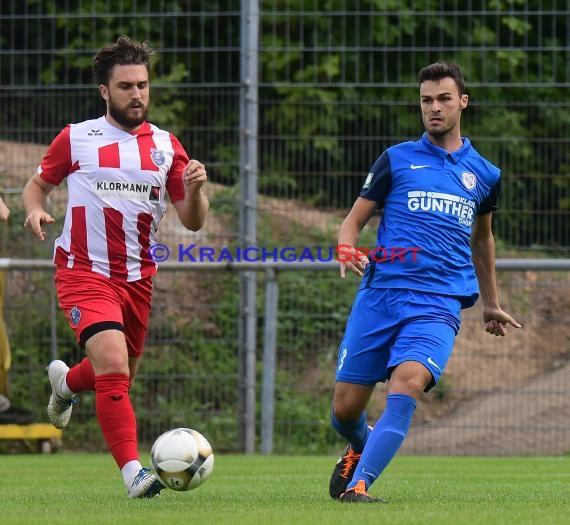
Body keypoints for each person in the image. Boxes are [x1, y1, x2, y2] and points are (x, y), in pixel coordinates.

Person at [22, 36, 209, 498]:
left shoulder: (167, 147)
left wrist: (197, 189)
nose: (137, 94)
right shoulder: (76, 137)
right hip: (83, 271)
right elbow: (37, 185)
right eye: (126, 86)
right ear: (105, 90)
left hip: (138, 278)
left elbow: (192, 220)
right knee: (111, 363)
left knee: (117, 375)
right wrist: (33, 209)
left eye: (143, 85)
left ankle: (66, 381)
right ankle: (134, 474)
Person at [329, 62, 521, 503]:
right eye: (426, 100)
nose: (433, 108)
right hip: (380, 296)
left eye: (443, 99)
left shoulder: (485, 175)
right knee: (344, 410)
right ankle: (360, 444)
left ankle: (359, 487)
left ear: (462, 102)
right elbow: (353, 221)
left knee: (408, 383)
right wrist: (346, 247)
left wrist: (491, 302)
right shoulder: (396, 159)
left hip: (438, 303)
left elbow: (483, 237)